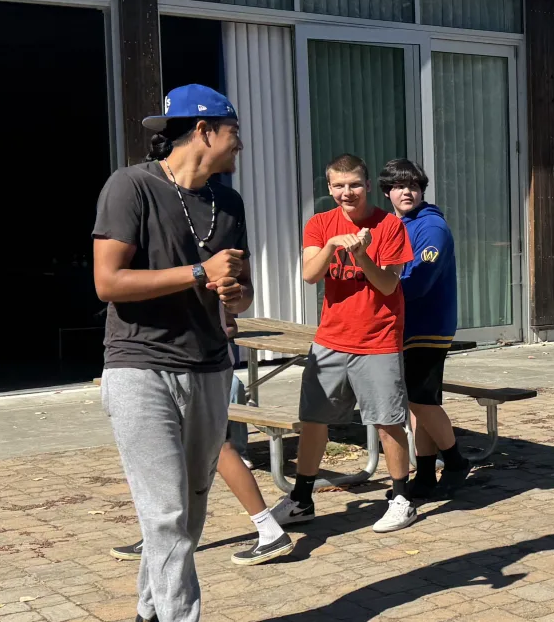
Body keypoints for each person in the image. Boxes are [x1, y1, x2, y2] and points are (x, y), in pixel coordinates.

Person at [90, 83, 250, 622]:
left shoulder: (227, 203)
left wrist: (234, 292)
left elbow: (239, 291)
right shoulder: (130, 186)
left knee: (190, 508)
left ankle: (149, 613)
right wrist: (200, 273)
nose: (239, 145)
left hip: (208, 367)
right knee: (165, 514)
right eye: (234, 133)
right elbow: (108, 282)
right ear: (203, 130)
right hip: (140, 367)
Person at [267, 154, 419, 534]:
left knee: (387, 421)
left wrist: (362, 255)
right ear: (330, 187)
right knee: (314, 420)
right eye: (338, 185)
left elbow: (388, 285)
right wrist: (334, 245)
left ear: (367, 185)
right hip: (331, 339)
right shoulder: (320, 224)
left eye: (354, 184)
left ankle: (401, 498)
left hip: (379, 339)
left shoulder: (389, 225)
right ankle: (301, 499)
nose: (346, 192)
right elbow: (308, 275)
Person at [110, 328, 296, 566]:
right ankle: (162, 536)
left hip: (202, 371)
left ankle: (269, 530)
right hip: (182, 370)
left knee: (221, 450)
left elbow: (228, 322)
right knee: (191, 451)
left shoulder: (199, 291)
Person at [383, 158, 472, 499]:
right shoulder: (398, 223)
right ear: (388, 192)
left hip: (428, 326)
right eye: (399, 186)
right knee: (420, 402)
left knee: (420, 400)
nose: (407, 191)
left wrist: (376, 292)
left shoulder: (431, 227)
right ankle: (424, 474)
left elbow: (417, 281)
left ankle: (454, 461)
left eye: (414, 186)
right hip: (406, 327)